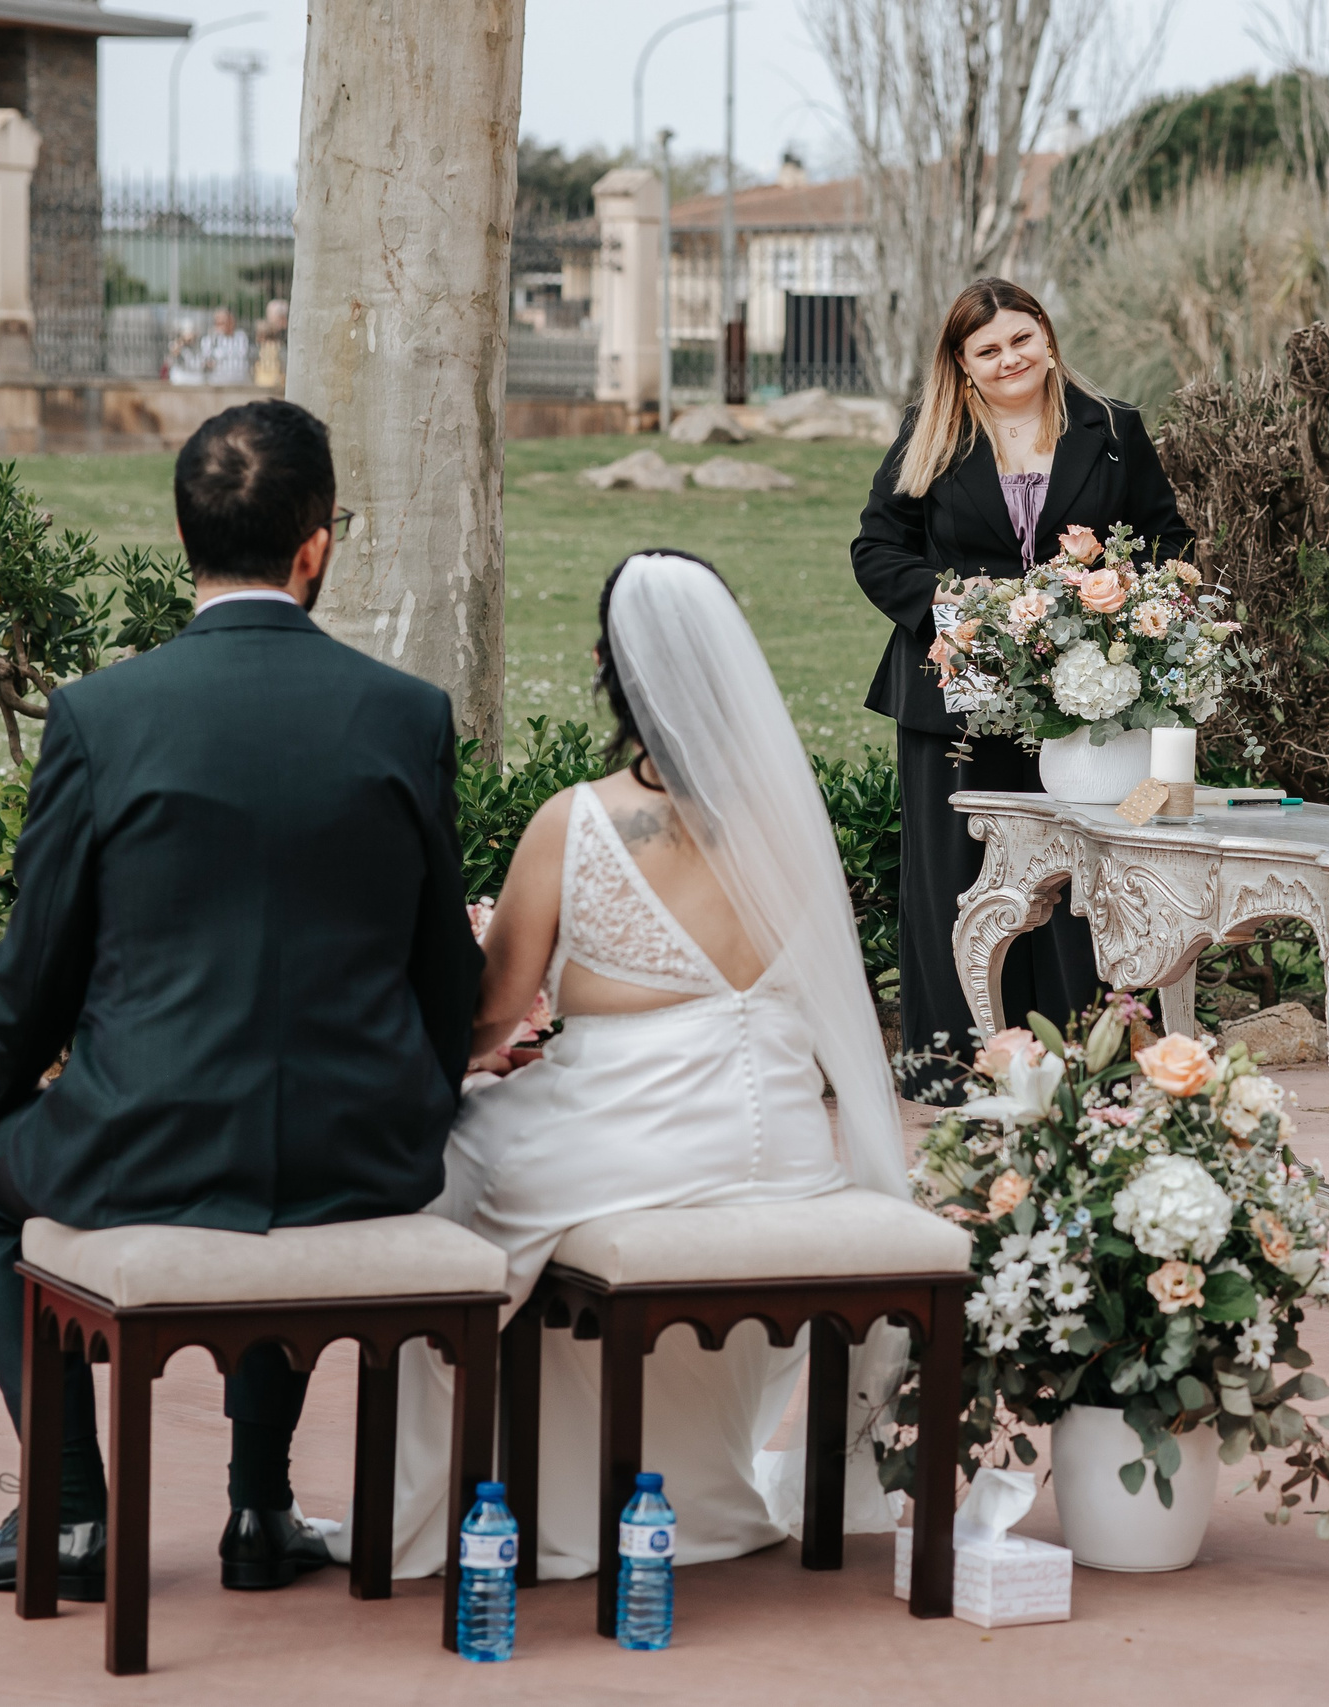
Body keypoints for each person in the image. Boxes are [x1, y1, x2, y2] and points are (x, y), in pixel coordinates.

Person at [0, 399, 483, 1599]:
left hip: (148, 1141)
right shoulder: (406, 713)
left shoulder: (102, 716)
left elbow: (37, 964)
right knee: (276, 1177)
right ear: (317, 544)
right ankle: (259, 1507)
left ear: (185, 538)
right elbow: (445, 967)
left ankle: (72, 1516)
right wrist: (425, 1102)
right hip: (365, 1149)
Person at [386, 551, 911, 1579]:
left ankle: (473, 1500)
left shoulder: (576, 823)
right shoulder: (793, 828)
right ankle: (687, 1489)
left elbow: (490, 1016)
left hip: (633, 1145)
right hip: (788, 1155)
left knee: (440, 1191)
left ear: (602, 670)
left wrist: (481, 1063)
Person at [852, 277, 1192, 1095]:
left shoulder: (1113, 428)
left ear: (1047, 335)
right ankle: (957, 1068)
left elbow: (1167, 537)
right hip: (956, 701)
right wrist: (948, 604)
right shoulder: (931, 431)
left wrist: (1112, 600)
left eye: (1021, 339)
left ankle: (1090, 1064)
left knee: (1082, 875)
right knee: (959, 880)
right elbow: (877, 547)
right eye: (988, 350)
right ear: (963, 364)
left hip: (1085, 698)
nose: (1010, 360)